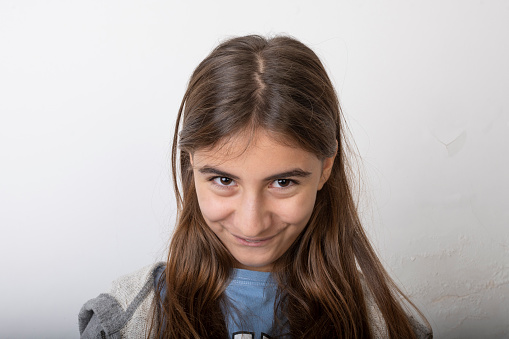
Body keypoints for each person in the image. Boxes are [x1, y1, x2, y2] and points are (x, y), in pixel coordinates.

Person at [79, 35, 432, 339]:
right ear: (190, 164)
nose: (251, 224)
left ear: (326, 168)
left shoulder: (384, 324)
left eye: (283, 182)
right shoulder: (127, 320)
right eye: (224, 180)